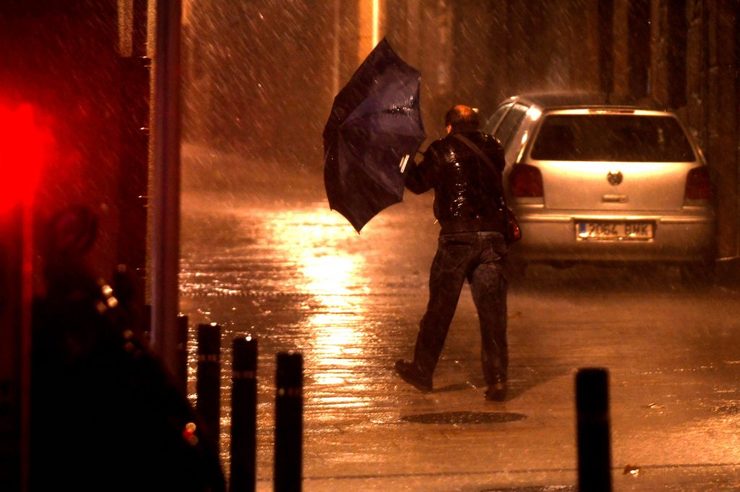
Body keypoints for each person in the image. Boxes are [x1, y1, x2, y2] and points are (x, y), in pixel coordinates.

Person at [394, 104, 510, 401]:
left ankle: (423, 369)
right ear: (476, 124)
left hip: (457, 239)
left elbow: (418, 184)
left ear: (449, 126)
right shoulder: (494, 147)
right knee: (492, 312)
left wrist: (405, 156)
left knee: (440, 308)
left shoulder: (440, 150)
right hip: (493, 236)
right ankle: (497, 380)